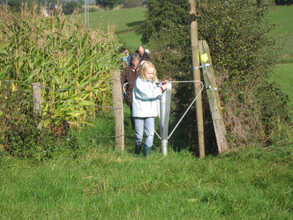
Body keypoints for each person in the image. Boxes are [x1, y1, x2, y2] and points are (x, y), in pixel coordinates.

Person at [132, 61, 168, 157]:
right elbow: (147, 94)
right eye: (149, 73)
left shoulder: (153, 81)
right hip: (139, 112)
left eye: (153, 73)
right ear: (143, 72)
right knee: (139, 135)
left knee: (150, 134)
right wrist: (161, 89)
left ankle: (146, 155)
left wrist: (162, 84)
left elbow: (156, 87)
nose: (151, 75)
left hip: (150, 112)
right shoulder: (139, 82)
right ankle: (137, 152)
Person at [121, 53, 140, 129]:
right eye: (134, 60)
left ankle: (140, 126)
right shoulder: (127, 70)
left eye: (136, 60)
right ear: (131, 61)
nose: (135, 62)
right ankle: (134, 127)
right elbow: (121, 80)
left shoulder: (142, 69)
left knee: (140, 111)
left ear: (138, 61)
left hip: (141, 94)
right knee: (133, 111)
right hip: (130, 94)